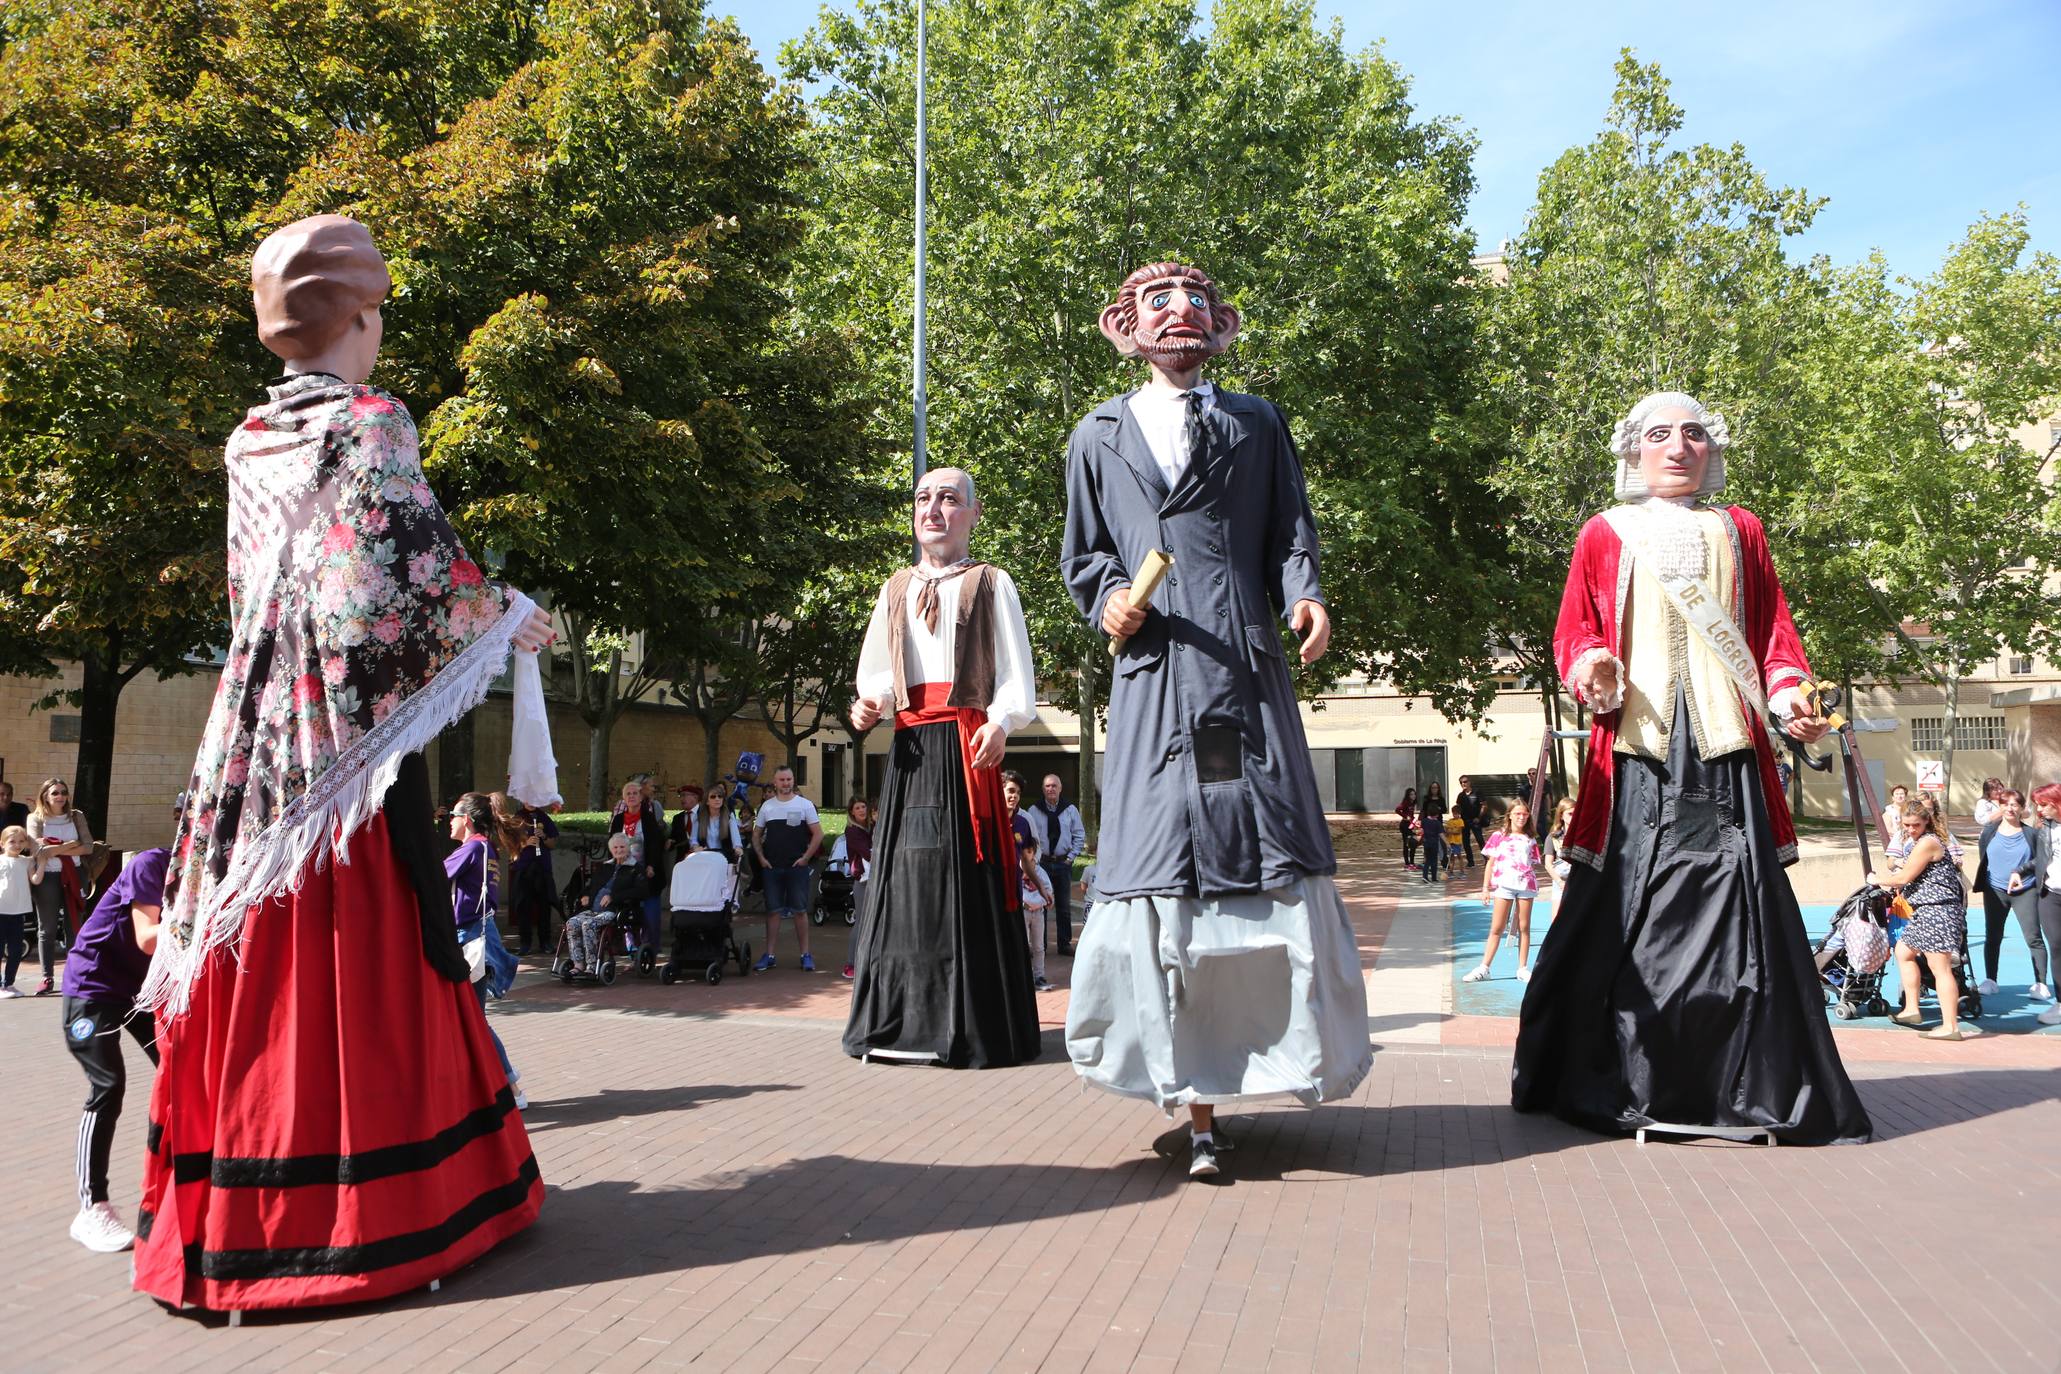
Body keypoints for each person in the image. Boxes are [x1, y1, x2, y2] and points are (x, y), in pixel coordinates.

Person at [132, 215, 547, 1312]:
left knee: (253, 926)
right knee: (370, 921)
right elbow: (395, 572)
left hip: (249, 731)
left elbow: (249, 596)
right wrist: (504, 617)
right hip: (338, 734)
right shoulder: (374, 421)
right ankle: (384, 1215)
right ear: (355, 317)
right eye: (375, 316)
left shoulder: (246, 441)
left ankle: (232, 1216)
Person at [1061, 260, 1370, 1178]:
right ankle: (1185, 1093)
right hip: (1156, 680)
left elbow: (1290, 531)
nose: (1180, 311)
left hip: (1244, 669)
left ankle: (1259, 1063)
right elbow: (1084, 554)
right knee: (1161, 863)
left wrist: (1304, 593)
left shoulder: (1257, 422)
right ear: (1126, 324)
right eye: (1159, 299)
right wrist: (1111, 598)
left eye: (1196, 298)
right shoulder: (1097, 434)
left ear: (1222, 323)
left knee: (1260, 849)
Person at [1512, 389, 1870, 1144]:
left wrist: (1787, 693)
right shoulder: (1602, 533)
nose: (1676, 446)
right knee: (1620, 905)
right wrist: (1590, 670)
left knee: (1740, 906)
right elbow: (1574, 632)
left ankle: (1741, 1086)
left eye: (1693, 434)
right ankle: (1627, 1078)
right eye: (1658, 434)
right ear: (1631, 449)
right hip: (1636, 757)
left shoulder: (1740, 530)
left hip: (1724, 751)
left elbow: (1771, 632)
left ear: (1712, 449)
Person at [843, 467, 1041, 1068]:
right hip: (909, 749)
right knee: (904, 883)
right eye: (924, 498)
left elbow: (1015, 673)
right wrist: (868, 703)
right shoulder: (895, 587)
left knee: (966, 878)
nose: (933, 508)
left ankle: (974, 1027)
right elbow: (877, 671)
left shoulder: (991, 582)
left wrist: (1001, 724)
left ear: (972, 515)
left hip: (965, 745)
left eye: (949, 499)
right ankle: (899, 1023)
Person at [62, 835, 170, 1252]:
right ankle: (92, 1209)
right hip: (92, 988)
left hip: (139, 992)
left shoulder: (204, 874)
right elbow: (148, 937)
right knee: (108, 1085)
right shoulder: (151, 863)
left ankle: (178, 1184)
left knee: (182, 1073)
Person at [446, 794, 523, 1105]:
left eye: (452, 814)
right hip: (477, 936)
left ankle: (511, 1087)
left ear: (467, 819)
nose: (448, 820)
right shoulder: (485, 848)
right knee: (469, 1019)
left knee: (473, 1020)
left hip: (469, 938)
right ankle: (492, 1087)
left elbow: (432, 876)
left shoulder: (472, 848)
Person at [1873, 805, 1974, 1039]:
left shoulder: (1929, 842)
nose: (1910, 829)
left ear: (1927, 822)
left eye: (1915, 825)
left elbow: (1905, 876)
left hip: (1938, 910)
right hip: (1923, 910)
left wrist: (1877, 880)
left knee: (1940, 967)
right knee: (1903, 952)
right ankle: (1911, 1009)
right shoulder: (1918, 841)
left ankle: (1951, 1027)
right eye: (1906, 825)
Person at [1975, 789, 2047, 1001]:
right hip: (1995, 891)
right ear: (2000, 806)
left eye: (2014, 805)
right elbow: (1984, 858)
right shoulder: (1989, 832)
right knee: (1993, 936)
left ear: (2022, 808)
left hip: (2025, 891)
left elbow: (2041, 859)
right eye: (2005, 804)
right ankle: (1991, 980)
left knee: (2033, 937)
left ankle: (2041, 983)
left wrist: (2021, 872)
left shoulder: (2032, 834)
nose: (2009, 808)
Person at [752, 766, 823, 972]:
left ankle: (805, 954)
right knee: (773, 912)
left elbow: (818, 834)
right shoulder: (767, 807)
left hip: (797, 868)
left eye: (789, 779)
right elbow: (756, 834)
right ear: (774, 782)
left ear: (793, 781)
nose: (786, 783)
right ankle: (770, 954)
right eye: (782, 779)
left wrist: (805, 858)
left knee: (800, 911)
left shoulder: (805, 805)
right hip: (772, 867)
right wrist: (761, 858)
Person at [27, 778, 93, 997]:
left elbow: (88, 847)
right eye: (55, 793)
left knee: (74, 924)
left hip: (75, 875)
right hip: (47, 876)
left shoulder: (76, 816)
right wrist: (70, 846)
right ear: (45, 795)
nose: (60, 797)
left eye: (63, 792)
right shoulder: (35, 818)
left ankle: (74, 975)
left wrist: (55, 848)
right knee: (46, 928)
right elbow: (38, 851)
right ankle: (47, 977)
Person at [1466, 800, 1540, 984]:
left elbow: (1532, 862)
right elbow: (1490, 863)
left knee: (1524, 927)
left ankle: (1522, 968)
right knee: (1497, 928)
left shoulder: (1530, 839)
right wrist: (1485, 888)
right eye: (1517, 814)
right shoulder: (1499, 836)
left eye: (1524, 814)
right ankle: (1484, 967)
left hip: (1525, 886)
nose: (1521, 817)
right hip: (1504, 885)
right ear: (1510, 815)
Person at [566, 833, 644, 975]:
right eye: (615, 847)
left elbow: (640, 891)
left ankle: (592, 964)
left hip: (615, 910)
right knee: (572, 923)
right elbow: (592, 886)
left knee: (588, 924)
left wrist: (613, 897)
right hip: (593, 909)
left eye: (622, 847)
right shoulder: (605, 867)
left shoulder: (636, 868)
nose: (619, 850)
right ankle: (578, 964)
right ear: (611, 849)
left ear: (628, 848)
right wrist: (585, 895)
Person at [608, 776, 668, 955]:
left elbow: (655, 845)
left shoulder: (648, 818)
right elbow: (611, 843)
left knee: (650, 911)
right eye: (628, 794)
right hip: (625, 871)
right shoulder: (618, 819)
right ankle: (630, 945)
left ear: (641, 797)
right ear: (623, 799)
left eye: (635, 793)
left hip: (647, 871)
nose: (632, 796)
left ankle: (652, 945)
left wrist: (651, 866)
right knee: (626, 908)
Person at [1030, 774, 1087, 955]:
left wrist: (1071, 858)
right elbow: (1031, 838)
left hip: (1063, 864)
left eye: (1054, 786)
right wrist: (1035, 860)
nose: (1050, 789)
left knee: (1063, 906)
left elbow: (1079, 834)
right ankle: (1042, 946)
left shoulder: (1070, 810)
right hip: (1043, 864)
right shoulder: (1034, 810)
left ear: (1060, 788)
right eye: (1047, 786)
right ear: (1043, 789)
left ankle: (1064, 944)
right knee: (1041, 906)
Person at [509, 799, 559, 956]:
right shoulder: (517, 818)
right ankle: (525, 943)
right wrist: (525, 843)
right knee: (523, 905)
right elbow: (510, 845)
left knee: (544, 905)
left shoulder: (543, 817)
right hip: (524, 868)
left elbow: (552, 844)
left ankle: (545, 942)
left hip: (542, 867)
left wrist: (543, 837)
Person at [2029, 784, 2061, 1027]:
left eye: (2044, 805)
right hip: (2050, 894)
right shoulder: (2044, 829)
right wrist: (2019, 871)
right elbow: (2040, 859)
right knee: (2057, 946)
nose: (2039, 810)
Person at [839, 798, 875, 981]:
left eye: (863, 807)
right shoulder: (853, 831)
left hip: (875, 879)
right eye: (857, 808)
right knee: (860, 922)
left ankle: (868, 960)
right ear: (852, 812)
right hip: (863, 880)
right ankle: (850, 964)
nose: (861, 810)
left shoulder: (871, 828)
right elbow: (867, 853)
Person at [0, 824, 38, 997]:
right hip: (1, 910)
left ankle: (9, 983)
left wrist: (42, 862)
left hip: (18, 912)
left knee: (15, 950)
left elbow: (35, 879)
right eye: (12, 841)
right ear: (2, 843)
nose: (17, 845)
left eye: (21, 841)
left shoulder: (26, 861)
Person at [1019, 835, 1055, 992]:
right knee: (1023, 945)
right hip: (1023, 911)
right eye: (1024, 851)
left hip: (1038, 913)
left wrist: (1044, 902)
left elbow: (1048, 892)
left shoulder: (1040, 871)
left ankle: (1039, 976)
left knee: (1039, 946)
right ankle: (1023, 976)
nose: (1028, 855)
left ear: (1034, 853)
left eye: (1030, 851)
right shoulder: (1016, 871)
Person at [1417, 782, 1448, 884]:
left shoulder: (1424, 821)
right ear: (1437, 814)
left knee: (1427, 861)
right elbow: (1441, 835)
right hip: (1434, 844)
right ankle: (1433, 877)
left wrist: (1419, 839)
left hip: (1426, 843)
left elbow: (1421, 831)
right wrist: (1448, 844)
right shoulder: (1437, 823)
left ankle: (1426, 876)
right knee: (1433, 861)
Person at [667, 783, 706, 863]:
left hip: (703, 858)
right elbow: (674, 837)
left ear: (695, 797)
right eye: (680, 796)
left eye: (684, 795)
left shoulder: (706, 815)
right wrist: (670, 841)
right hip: (682, 861)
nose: (682, 799)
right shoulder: (677, 818)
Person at [1000, 770, 1036, 850]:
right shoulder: (990, 822)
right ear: (999, 791)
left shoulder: (1023, 823)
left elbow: (1027, 855)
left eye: (1018, 793)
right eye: (1011, 791)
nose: (1015, 795)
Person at [1454, 776, 1483, 869]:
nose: (1463, 784)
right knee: (1466, 842)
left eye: (1465, 782)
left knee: (1480, 840)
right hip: (1464, 821)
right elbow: (1458, 808)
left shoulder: (1477, 792)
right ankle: (1470, 862)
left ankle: (1487, 859)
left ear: (1469, 782)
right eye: (1461, 782)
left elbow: (1484, 806)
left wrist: (1478, 818)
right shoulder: (1461, 795)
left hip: (1475, 820)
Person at [1396, 787, 1418, 871]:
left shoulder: (1412, 803)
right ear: (1408, 796)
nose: (1413, 796)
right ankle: (1407, 863)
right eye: (1411, 794)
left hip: (1410, 825)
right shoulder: (1405, 803)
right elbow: (1397, 809)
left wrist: (1413, 820)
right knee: (1406, 844)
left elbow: (1410, 814)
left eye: (1414, 794)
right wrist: (1405, 817)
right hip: (1404, 826)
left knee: (1413, 843)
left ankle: (1412, 862)